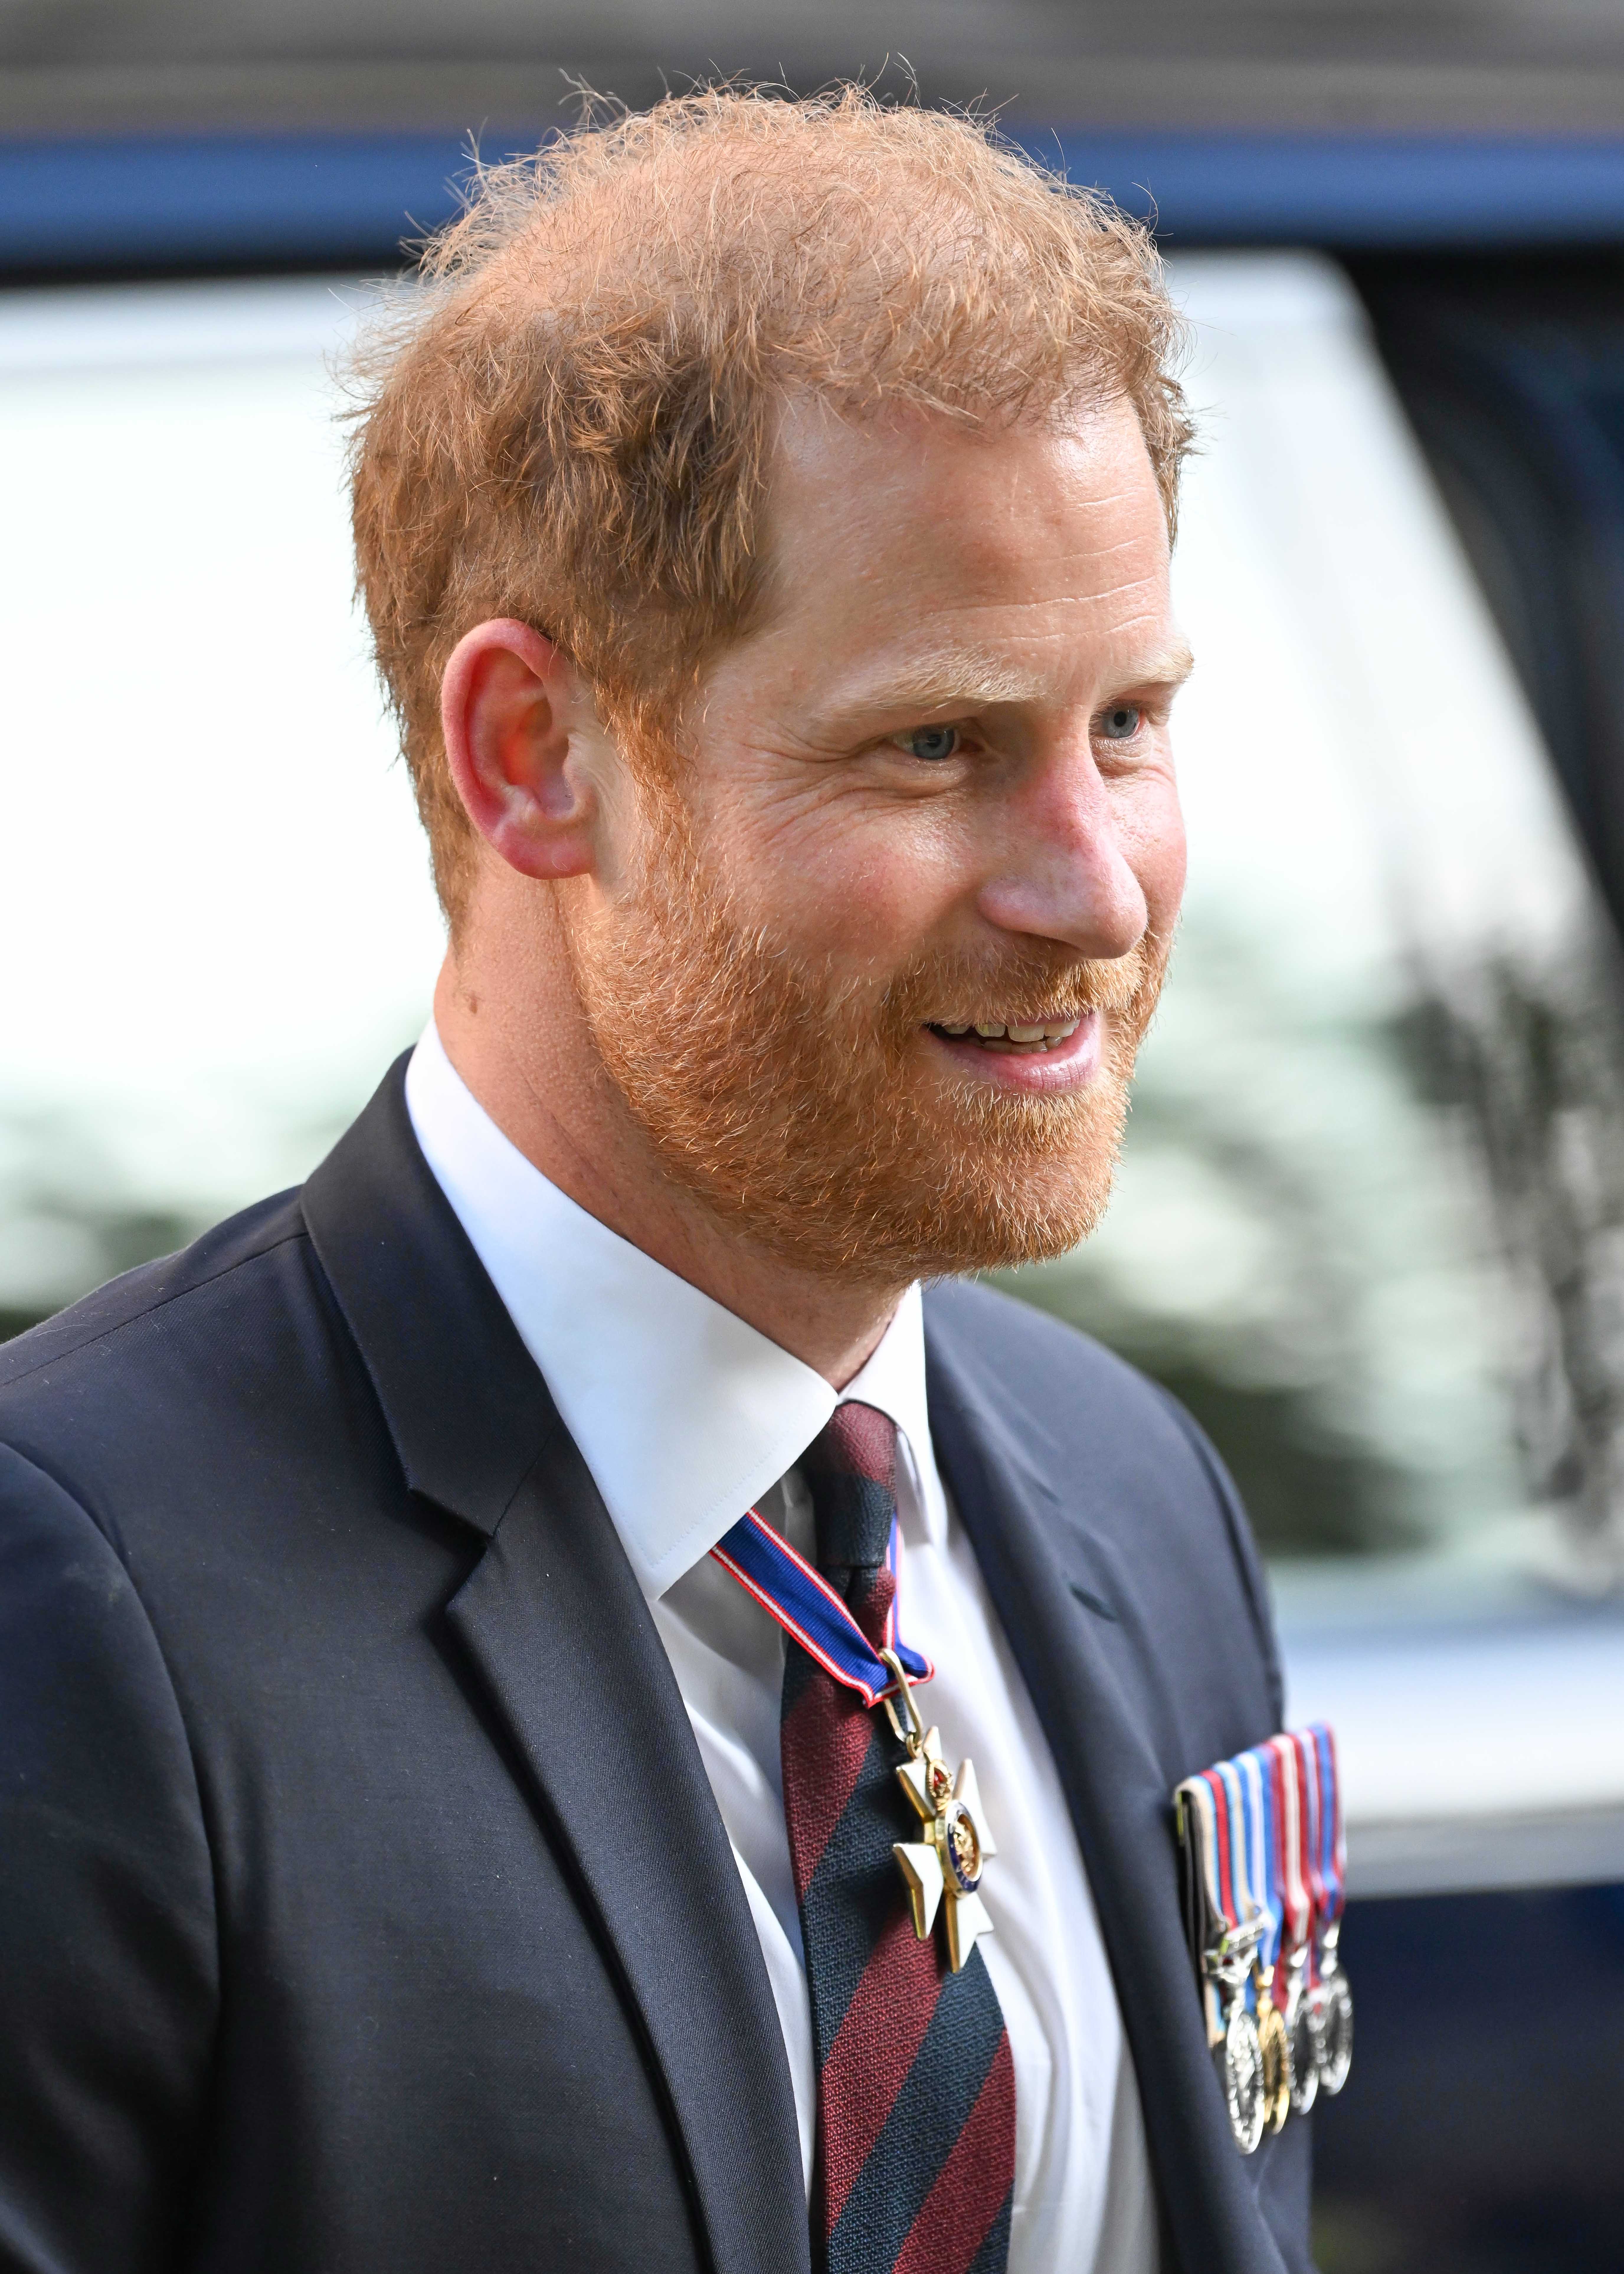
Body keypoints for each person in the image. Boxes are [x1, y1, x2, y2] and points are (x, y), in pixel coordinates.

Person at [0, 89, 1307, 2274]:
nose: (1096, 891)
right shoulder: (78, 1607)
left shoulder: (1135, 1492)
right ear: (535, 758)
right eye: (936, 744)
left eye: (1129, 724)